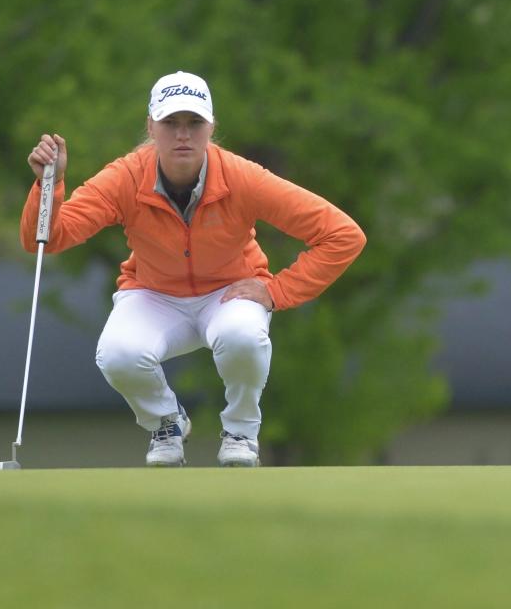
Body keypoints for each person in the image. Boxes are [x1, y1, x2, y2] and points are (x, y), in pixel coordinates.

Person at [22, 71, 366, 467]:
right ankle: (165, 423)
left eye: (194, 123)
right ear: (151, 127)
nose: (182, 134)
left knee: (243, 337)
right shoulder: (125, 177)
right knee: (118, 354)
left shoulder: (242, 177)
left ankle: (241, 429)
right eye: (170, 123)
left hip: (229, 293)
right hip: (153, 294)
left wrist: (277, 292)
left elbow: (343, 235)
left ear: (211, 127)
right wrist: (51, 183)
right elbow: (47, 238)